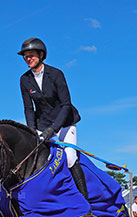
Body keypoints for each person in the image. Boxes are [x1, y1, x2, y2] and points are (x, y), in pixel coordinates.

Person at [18, 37, 86, 196]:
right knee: (33, 158)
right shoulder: (24, 80)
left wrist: (54, 129)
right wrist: (31, 130)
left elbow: (66, 105)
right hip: (42, 124)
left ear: (41, 55)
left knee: (69, 158)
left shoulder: (56, 74)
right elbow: (28, 109)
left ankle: (84, 202)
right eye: (25, 56)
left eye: (31, 55)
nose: (28, 59)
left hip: (65, 123)